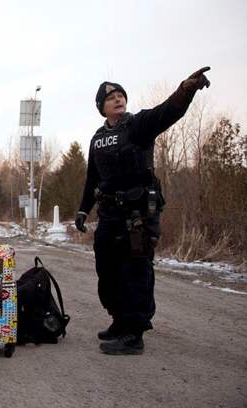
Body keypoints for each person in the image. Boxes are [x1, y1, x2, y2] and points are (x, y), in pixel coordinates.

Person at [75, 67, 211, 355]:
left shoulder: (138, 126)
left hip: (137, 216)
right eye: (110, 96)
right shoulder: (98, 138)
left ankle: (134, 333)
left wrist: (185, 90)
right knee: (107, 271)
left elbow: (167, 112)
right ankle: (120, 321)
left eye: (121, 94)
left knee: (135, 271)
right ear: (101, 107)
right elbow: (92, 178)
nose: (118, 98)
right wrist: (84, 211)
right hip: (110, 216)